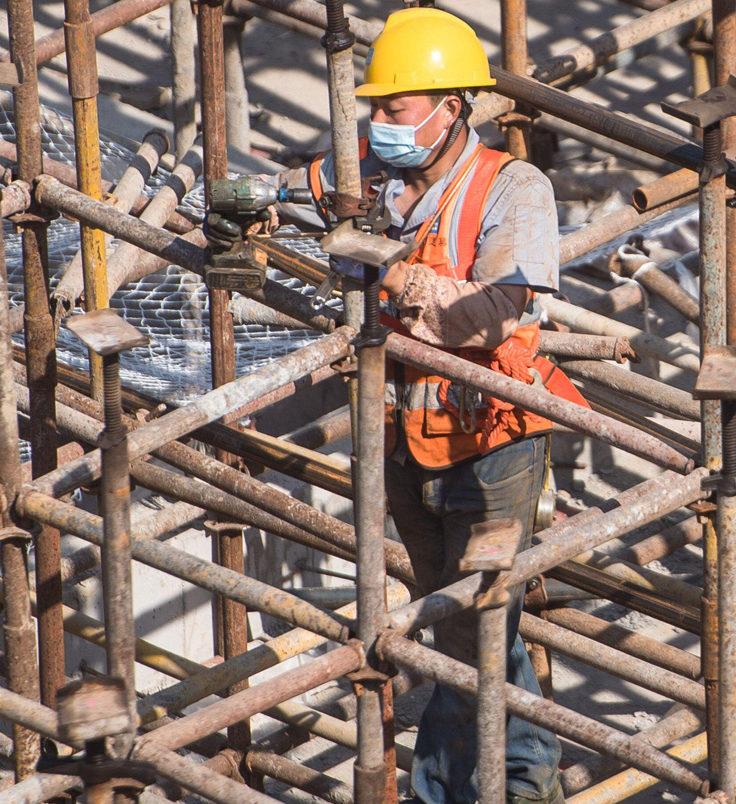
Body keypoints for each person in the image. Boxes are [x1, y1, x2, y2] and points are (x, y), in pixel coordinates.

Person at [267, 8, 582, 804]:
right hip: (403, 436)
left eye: (394, 110)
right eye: (375, 109)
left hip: (495, 443)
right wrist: (254, 204)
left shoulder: (512, 187)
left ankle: (446, 792)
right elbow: (286, 192)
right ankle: (521, 777)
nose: (378, 125)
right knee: (467, 626)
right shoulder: (370, 172)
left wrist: (396, 277)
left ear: (450, 108)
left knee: (474, 624)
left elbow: (499, 311)